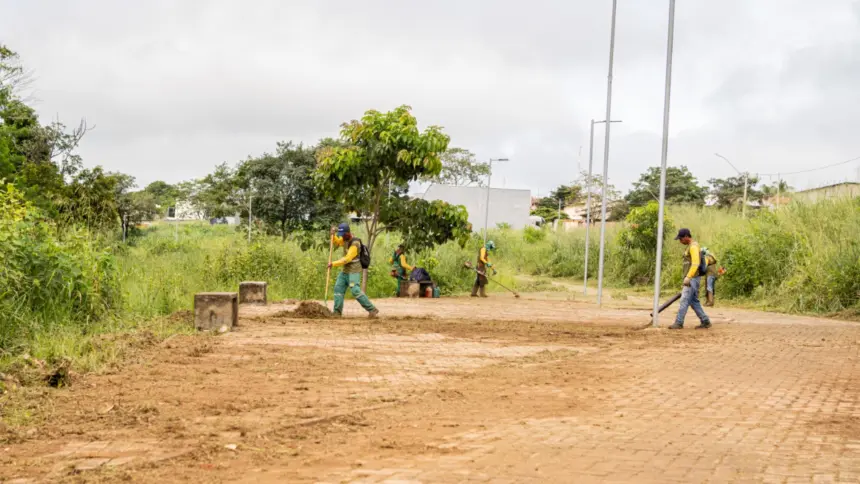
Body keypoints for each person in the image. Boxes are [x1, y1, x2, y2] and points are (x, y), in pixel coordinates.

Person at [328, 223, 379, 318]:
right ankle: (337, 313)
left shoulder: (355, 244)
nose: (341, 237)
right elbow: (338, 242)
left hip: (354, 271)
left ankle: (372, 310)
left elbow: (347, 259)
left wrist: (333, 264)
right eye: (341, 235)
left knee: (355, 290)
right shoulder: (344, 239)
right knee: (338, 288)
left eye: (343, 235)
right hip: (345, 271)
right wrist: (333, 235)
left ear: (348, 233)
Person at [669, 228, 711, 330]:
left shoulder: (693, 246)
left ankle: (679, 322)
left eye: (681, 239)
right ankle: (705, 321)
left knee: (684, 299)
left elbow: (695, 263)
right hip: (692, 278)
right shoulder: (691, 246)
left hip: (692, 278)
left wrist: (688, 277)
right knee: (693, 301)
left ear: (686, 237)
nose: (680, 241)